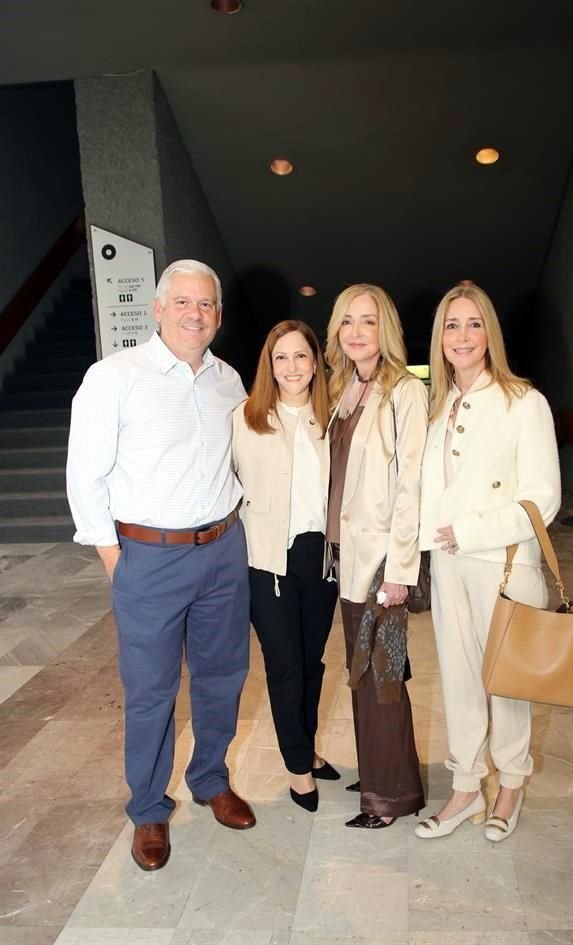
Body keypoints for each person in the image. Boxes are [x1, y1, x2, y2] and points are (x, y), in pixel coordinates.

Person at [66, 259, 255, 872]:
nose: (195, 314)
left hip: (224, 549)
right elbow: (84, 475)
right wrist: (114, 558)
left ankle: (210, 778)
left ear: (218, 316)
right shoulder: (114, 376)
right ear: (157, 308)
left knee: (222, 676)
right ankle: (149, 809)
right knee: (150, 692)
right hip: (147, 556)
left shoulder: (231, 381)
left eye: (206, 305)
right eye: (183, 302)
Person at [415, 282, 561, 842]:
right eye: (452, 325)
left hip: (504, 563)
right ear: (440, 337)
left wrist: (469, 531)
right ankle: (466, 785)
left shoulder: (524, 401)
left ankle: (513, 783)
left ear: (489, 334)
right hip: (449, 566)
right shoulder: (436, 405)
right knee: (459, 680)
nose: (462, 336)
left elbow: (542, 497)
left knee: (508, 684)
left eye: (474, 324)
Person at [325, 283, 427, 829]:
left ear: (384, 328)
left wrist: (400, 572)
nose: (356, 332)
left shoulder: (404, 391)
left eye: (367, 321)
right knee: (361, 672)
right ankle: (380, 768)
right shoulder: (348, 388)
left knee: (384, 675)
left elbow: (411, 484)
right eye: (347, 322)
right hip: (348, 556)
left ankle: (390, 798)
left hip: (382, 564)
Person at [232, 320, 339, 812]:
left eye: (301, 356)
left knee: (312, 663)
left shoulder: (333, 417)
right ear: (268, 365)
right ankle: (298, 768)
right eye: (281, 357)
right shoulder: (245, 418)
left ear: (315, 362)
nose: (291, 367)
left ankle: (309, 749)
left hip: (320, 559)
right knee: (284, 667)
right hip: (267, 562)